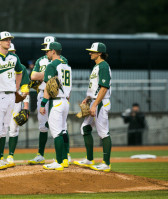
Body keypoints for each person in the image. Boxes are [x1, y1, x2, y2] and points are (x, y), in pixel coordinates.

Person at [28, 36, 71, 166]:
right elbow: (33, 76)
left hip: (52, 98)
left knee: (59, 129)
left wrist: (46, 74)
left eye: (48, 48)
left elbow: (41, 80)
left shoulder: (56, 63)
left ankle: (63, 157)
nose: (46, 50)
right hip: (58, 97)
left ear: (53, 50)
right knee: (46, 127)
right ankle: (51, 157)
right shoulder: (62, 64)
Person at [0, 31, 23, 170]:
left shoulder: (13, 57)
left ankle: (0, 158)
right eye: (5, 39)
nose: (8, 41)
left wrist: (16, 88)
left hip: (11, 95)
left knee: (5, 128)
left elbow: (20, 72)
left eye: (9, 39)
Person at [73, 42, 112, 172]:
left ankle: (106, 163)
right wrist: (88, 98)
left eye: (93, 51)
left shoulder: (104, 66)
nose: (90, 53)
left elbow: (104, 88)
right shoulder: (97, 67)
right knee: (85, 128)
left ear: (99, 53)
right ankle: (89, 159)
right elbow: (95, 87)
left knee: (103, 132)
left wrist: (95, 104)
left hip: (101, 102)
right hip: (95, 101)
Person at [39, 42, 72, 170]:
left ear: (53, 51)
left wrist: (43, 104)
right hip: (65, 101)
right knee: (63, 130)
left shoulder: (52, 65)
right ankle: (64, 160)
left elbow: (48, 87)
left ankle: (58, 162)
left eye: (47, 51)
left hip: (56, 102)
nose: (46, 53)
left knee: (56, 132)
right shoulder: (67, 66)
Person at [6, 43, 30, 167]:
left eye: (13, 51)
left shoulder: (21, 68)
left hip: (16, 100)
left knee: (13, 128)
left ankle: (10, 155)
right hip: (2, 99)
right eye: (10, 51)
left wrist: (26, 106)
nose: (12, 53)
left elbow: (25, 88)